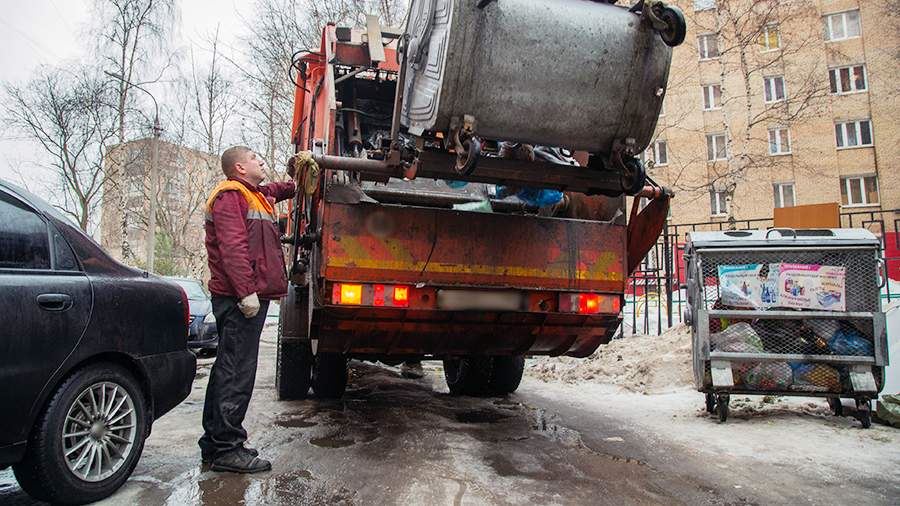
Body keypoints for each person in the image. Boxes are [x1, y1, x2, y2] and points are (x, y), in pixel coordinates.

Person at [198, 146, 295, 473]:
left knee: (228, 368)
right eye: (255, 158)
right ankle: (227, 449)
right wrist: (246, 293)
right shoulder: (230, 196)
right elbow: (233, 248)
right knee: (236, 371)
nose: (261, 160)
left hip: (243, 297)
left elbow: (281, 189)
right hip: (240, 300)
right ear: (239, 167)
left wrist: (303, 172)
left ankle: (215, 444)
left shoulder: (254, 195)